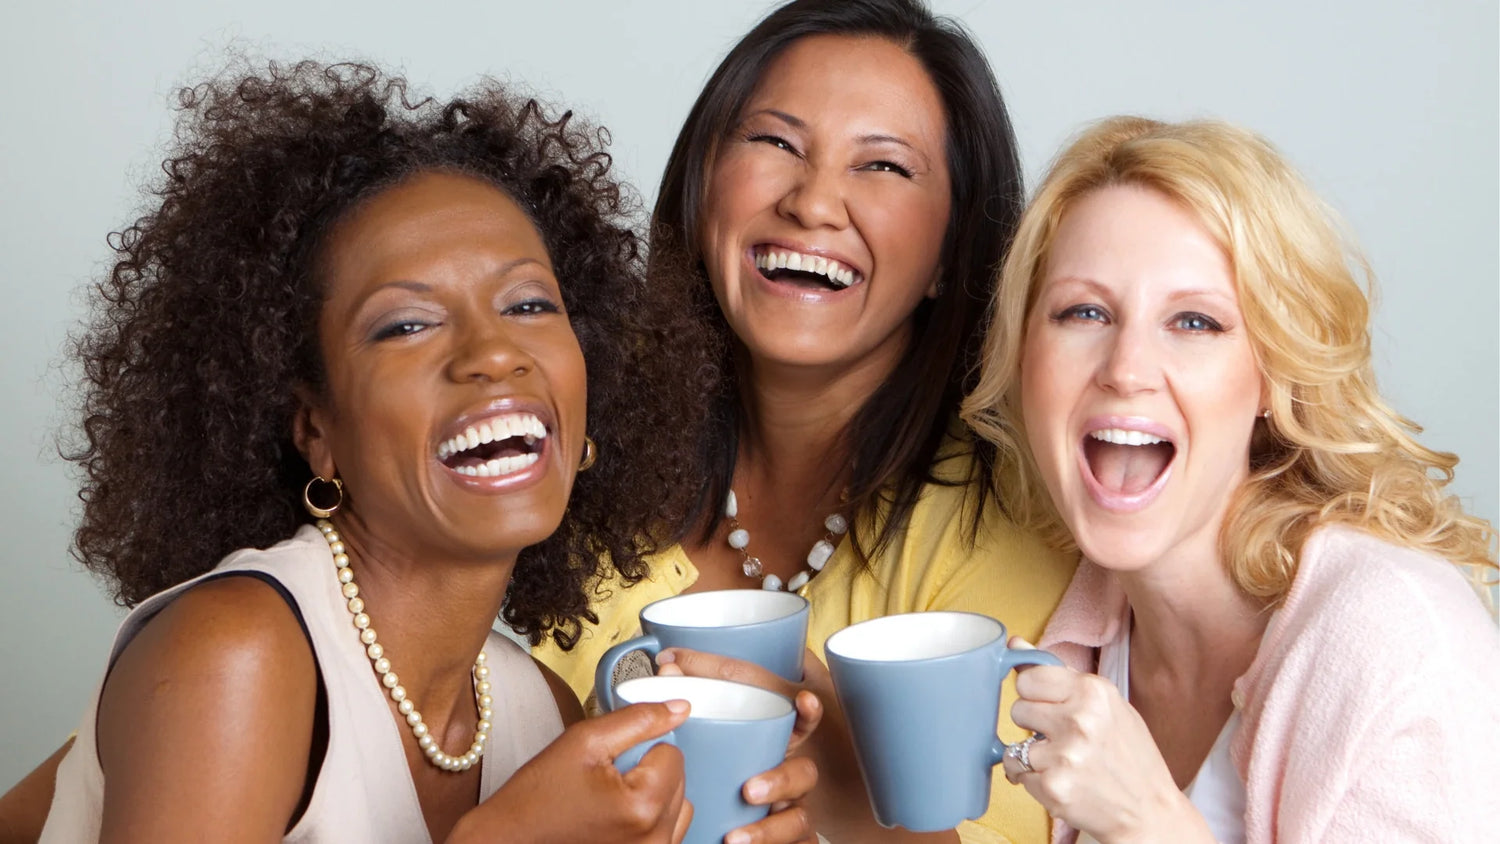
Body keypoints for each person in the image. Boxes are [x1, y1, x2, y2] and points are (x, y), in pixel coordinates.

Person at [14, 60, 819, 843]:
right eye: (406, 324)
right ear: (314, 429)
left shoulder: (539, 710)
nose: (494, 353)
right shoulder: (236, 654)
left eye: (530, 303)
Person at [531, 1, 1076, 841]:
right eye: (776, 143)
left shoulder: (1011, 514)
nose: (815, 202)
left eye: (885, 167)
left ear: (949, 252)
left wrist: (845, 781)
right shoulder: (579, 458)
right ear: (704, 185)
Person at [960, 116, 1500, 843]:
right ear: (1025, 363)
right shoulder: (1079, 624)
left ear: (1275, 377)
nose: (1125, 368)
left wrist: (1149, 823)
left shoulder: (1397, 642)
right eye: (1084, 312)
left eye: (1194, 323)